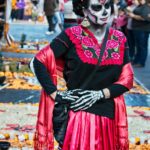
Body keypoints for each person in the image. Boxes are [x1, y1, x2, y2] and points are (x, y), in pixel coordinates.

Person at [30, 0, 134, 149]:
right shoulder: (71, 35)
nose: (104, 11)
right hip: (78, 118)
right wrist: (55, 94)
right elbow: (37, 62)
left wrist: (99, 94)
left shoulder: (120, 38)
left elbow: (127, 79)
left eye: (107, 6)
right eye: (97, 7)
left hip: (108, 116)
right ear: (84, 11)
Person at [127, 0, 150, 67]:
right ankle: (136, 60)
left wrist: (133, 16)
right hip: (137, 29)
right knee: (138, 46)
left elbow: (144, 18)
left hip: (142, 29)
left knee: (142, 46)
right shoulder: (140, 6)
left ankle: (141, 62)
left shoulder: (146, 7)